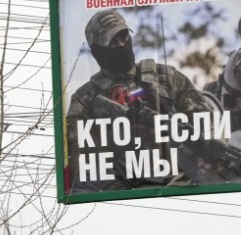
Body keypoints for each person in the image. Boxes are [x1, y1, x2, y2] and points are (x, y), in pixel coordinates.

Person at [65, 9, 220, 192]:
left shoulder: (167, 78)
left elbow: (207, 122)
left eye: (123, 36)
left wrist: (208, 158)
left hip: (183, 182)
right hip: (123, 194)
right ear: (97, 51)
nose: (121, 44)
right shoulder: (85, 100)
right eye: (112, 41)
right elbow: (83, 165)